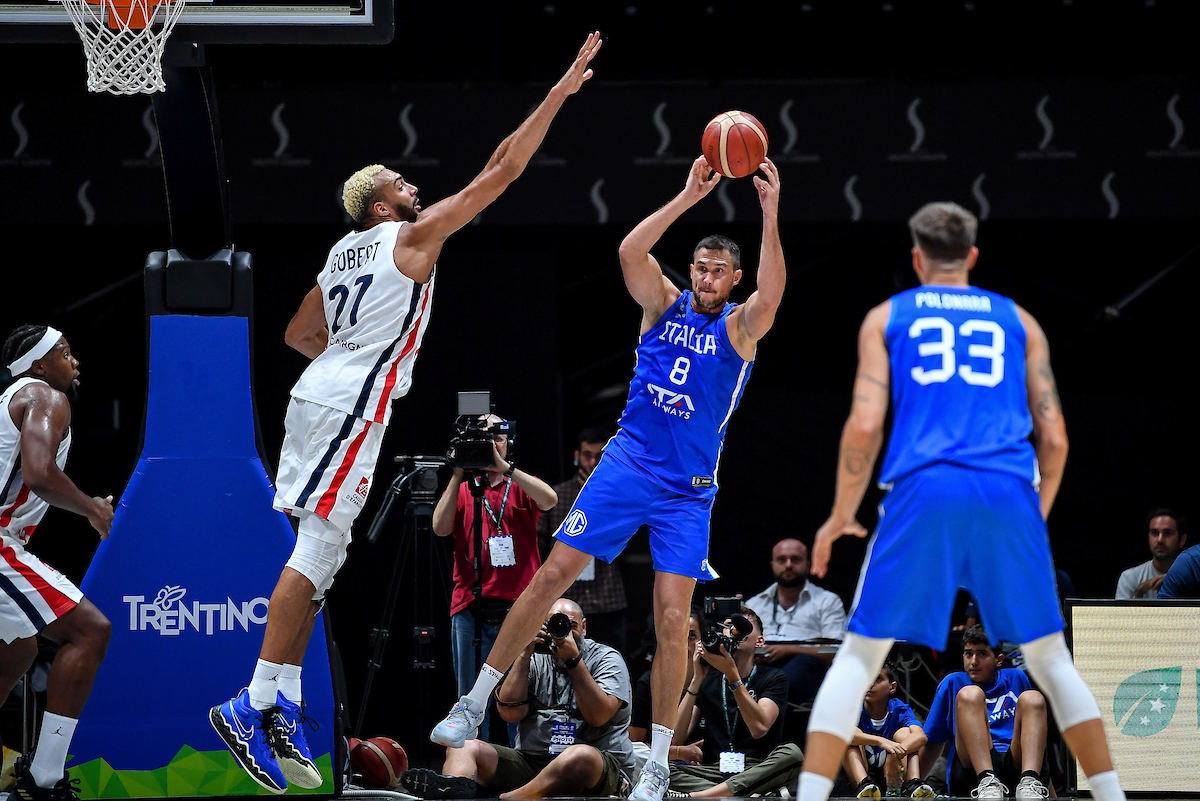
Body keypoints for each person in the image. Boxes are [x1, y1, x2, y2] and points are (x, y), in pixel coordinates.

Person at [209, 32, 604, 795]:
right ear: (383, 205)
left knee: (323, 555)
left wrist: (345, 355)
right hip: (350, 403)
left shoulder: (339, 254)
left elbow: (297, 333)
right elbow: (503, 169)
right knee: (313, 552)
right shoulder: (408, 238)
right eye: (402, 181)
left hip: (319, 392)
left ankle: (280, 702)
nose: (415, 187)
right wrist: (558, 93)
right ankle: (251, 700)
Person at [430, 153, 785, 801]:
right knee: (550, 576)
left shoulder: (740, 328)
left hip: (687, 490)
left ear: (734, 278)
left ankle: (656, 764)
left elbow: (773, 293)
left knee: (672, 618)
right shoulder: (663, 303)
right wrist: (687, 196)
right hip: (627, 464)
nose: (706, 276)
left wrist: (769, 212)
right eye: (700, 265)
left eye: (718, 269)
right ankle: (473, 701)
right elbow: (629, 251)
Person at [795, 202, 1126, 801]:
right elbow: (1055, 439)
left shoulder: (886, 317)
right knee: (1052, 662)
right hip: (1007, 489)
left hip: (924, 487)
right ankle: (1112, 796)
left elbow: (865, 427)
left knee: (859, 658)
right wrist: (1033, 517)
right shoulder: (1021, 320)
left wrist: (841, 514)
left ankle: (812, 796)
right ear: (972, 256)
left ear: (917, 259)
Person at [1, 325, 114, 801]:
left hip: (9, 539)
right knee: (90, 630)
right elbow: (40, 473)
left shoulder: (9, 399)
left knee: (18, 651)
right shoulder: (45, 396)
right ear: (39, 365)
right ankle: (44, 780)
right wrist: (93, 509)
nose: (74, 361)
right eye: (65, 353)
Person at [400, 598, 636, 799]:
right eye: (553, 625)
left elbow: (597, 717)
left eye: (570, 625)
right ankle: (452, 791)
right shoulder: (535, 658)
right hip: (532, 762)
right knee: (464, 746)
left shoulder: (606, 659)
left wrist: (574, 661)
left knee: (580, 756)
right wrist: (523, 654)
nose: (562, 632)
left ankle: (511, 798)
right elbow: (509, 712)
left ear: (583, 627)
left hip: (596, 766)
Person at [432, 413, 557, 742]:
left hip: (519, 607)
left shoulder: (519, 485)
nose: (491, 444)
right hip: (469, 605)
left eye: (497, 438)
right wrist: (457, 473)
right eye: (483, 439)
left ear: (507, 444)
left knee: (518, 698)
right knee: (469, 697)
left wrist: (506, 468)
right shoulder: (463, 490)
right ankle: (473, 762)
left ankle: (520, 762)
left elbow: (550, 499)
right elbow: (440, 527)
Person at [668, 606, 803, 798]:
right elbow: (676, 739)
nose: (734, 631)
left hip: (758, 768)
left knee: (793, 754)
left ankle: (704, 797)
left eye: (742, 626)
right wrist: (696, 679)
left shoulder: (774, 678)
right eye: (729, 626)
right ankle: (747, 795)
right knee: (663, 769)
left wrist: (733, 676)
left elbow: (759, 728)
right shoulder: (710, 681)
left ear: (759, 641)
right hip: (716, 770)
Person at [919, 626, 1049, 799]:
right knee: (970, 694)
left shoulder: (1016, 677)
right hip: (972, 770)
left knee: (1033, 698)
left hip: (1016, 762)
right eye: (968, 654)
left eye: (982, 654)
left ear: (999, 659)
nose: (974, 661)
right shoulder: (953, 682)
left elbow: (1034, 738)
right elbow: (933, 741)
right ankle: (987, 779)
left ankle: (1030, 780)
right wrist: (913, 783)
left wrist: (1050, 791)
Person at [537, 427, 628, 652]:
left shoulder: (618, 497)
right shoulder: (558, 496)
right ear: (577, 456)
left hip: (607, 598)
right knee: (561, 661)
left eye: (599, 456)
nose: (593, 462)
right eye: (587, 455)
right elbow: (540, 547)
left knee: (609, 660)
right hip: (566, 598)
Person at [744, 538, 845, 706]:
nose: (788, 565)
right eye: (782, 559)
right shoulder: (754, 604)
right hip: (760, 667)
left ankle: (766, 707)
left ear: (807, 564)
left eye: (795, 559)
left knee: (804, 663)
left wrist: (789, 650)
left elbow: (836, 651)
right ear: (772, 564)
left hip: (803, 671)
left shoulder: (827, 601)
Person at [841, 660, 933, 798]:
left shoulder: (900, 709)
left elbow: (921, 737)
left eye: (877, 678)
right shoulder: (853, 707)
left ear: (892, 687)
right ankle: (864, 787)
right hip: (860, 778)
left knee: (905, 733)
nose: (870, 683)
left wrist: (895, 755)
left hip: (894, 777)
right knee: (851, 736)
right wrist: (880, 741)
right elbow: (842, 734)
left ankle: (913, 784)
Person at [1115, 509, 1188, 600]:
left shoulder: (1194, 577)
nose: (1160, 540)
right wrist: (1140, 592)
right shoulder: (1130, 577)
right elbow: (1122, 610)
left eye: (1167, 533)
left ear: (1182, 540)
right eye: (1154, 533)